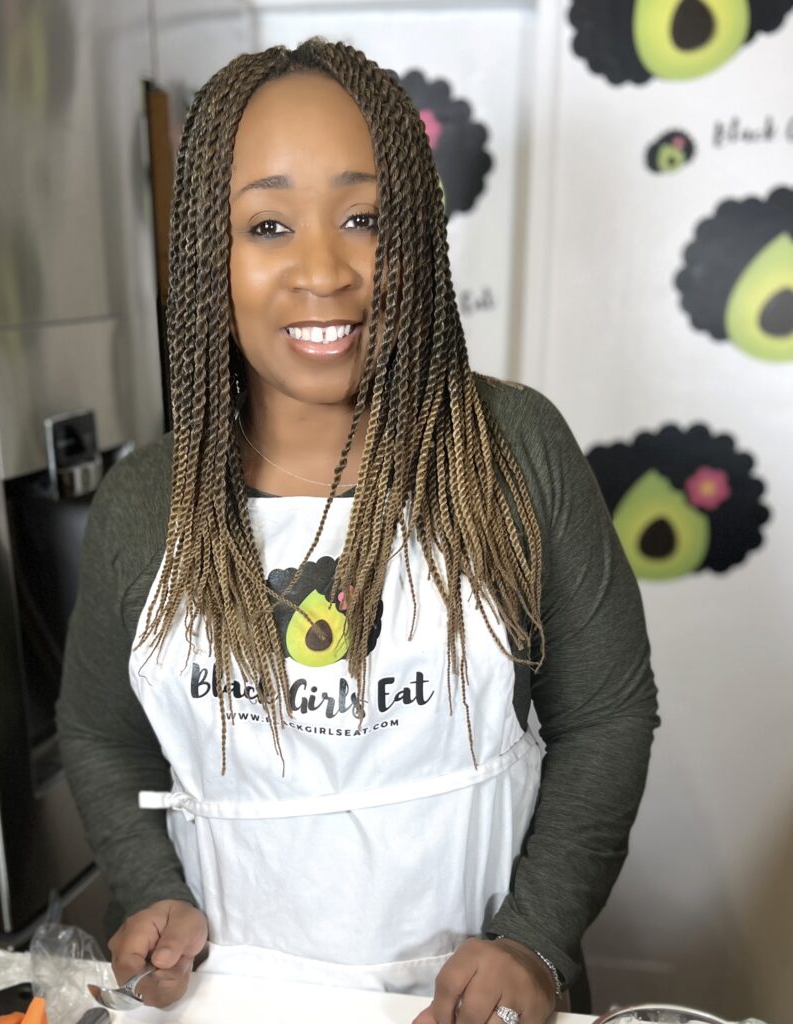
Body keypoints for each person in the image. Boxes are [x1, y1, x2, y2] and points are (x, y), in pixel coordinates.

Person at [57, 38, 658, 1024]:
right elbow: (99, 730)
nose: (322, 270)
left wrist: (537, 939)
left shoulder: (512, 451)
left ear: (415, 235)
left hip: (473, 1001)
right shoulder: (146, 502)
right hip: (233, 997)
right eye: (268, 224)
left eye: (363, 217)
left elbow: (607, 714)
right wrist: (145, 886)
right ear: (213, 252)